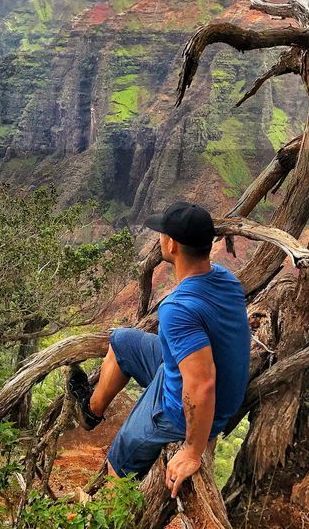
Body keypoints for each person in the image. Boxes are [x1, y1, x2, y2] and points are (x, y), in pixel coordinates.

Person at [67, 202, 249, 497]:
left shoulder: (178, 310)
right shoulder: (224, 278)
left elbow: (201, 384)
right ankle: (92, 410)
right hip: (200, 381)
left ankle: (116, 511)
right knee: (122, 341)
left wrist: (192, 450)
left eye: (162, 233)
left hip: (187, 408)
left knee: (118, 463)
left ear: (172, 244)